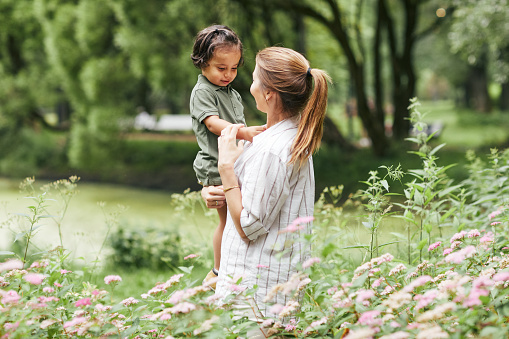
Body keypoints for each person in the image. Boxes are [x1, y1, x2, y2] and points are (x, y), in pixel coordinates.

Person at [201, 46, 331, 331]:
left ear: (269, 93)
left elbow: (249, 226)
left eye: (255, 78)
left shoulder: (274, 149)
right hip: (255, 292)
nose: (250, 85)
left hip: (258, 300)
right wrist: (217, 191)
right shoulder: (271, 137)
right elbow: (250, 196)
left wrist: (225, 169)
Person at [189, 25, 265, 287]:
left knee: (237, 220)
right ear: (202, 63)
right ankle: (219, 271)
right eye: (221, 68)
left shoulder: (231, 93)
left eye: (234, 68)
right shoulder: (203, 92)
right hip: (215, 166)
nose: (228, 74)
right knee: (228, 222)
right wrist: (244, 133)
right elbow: (212, 123)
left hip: (234, 163)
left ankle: (232, 268)